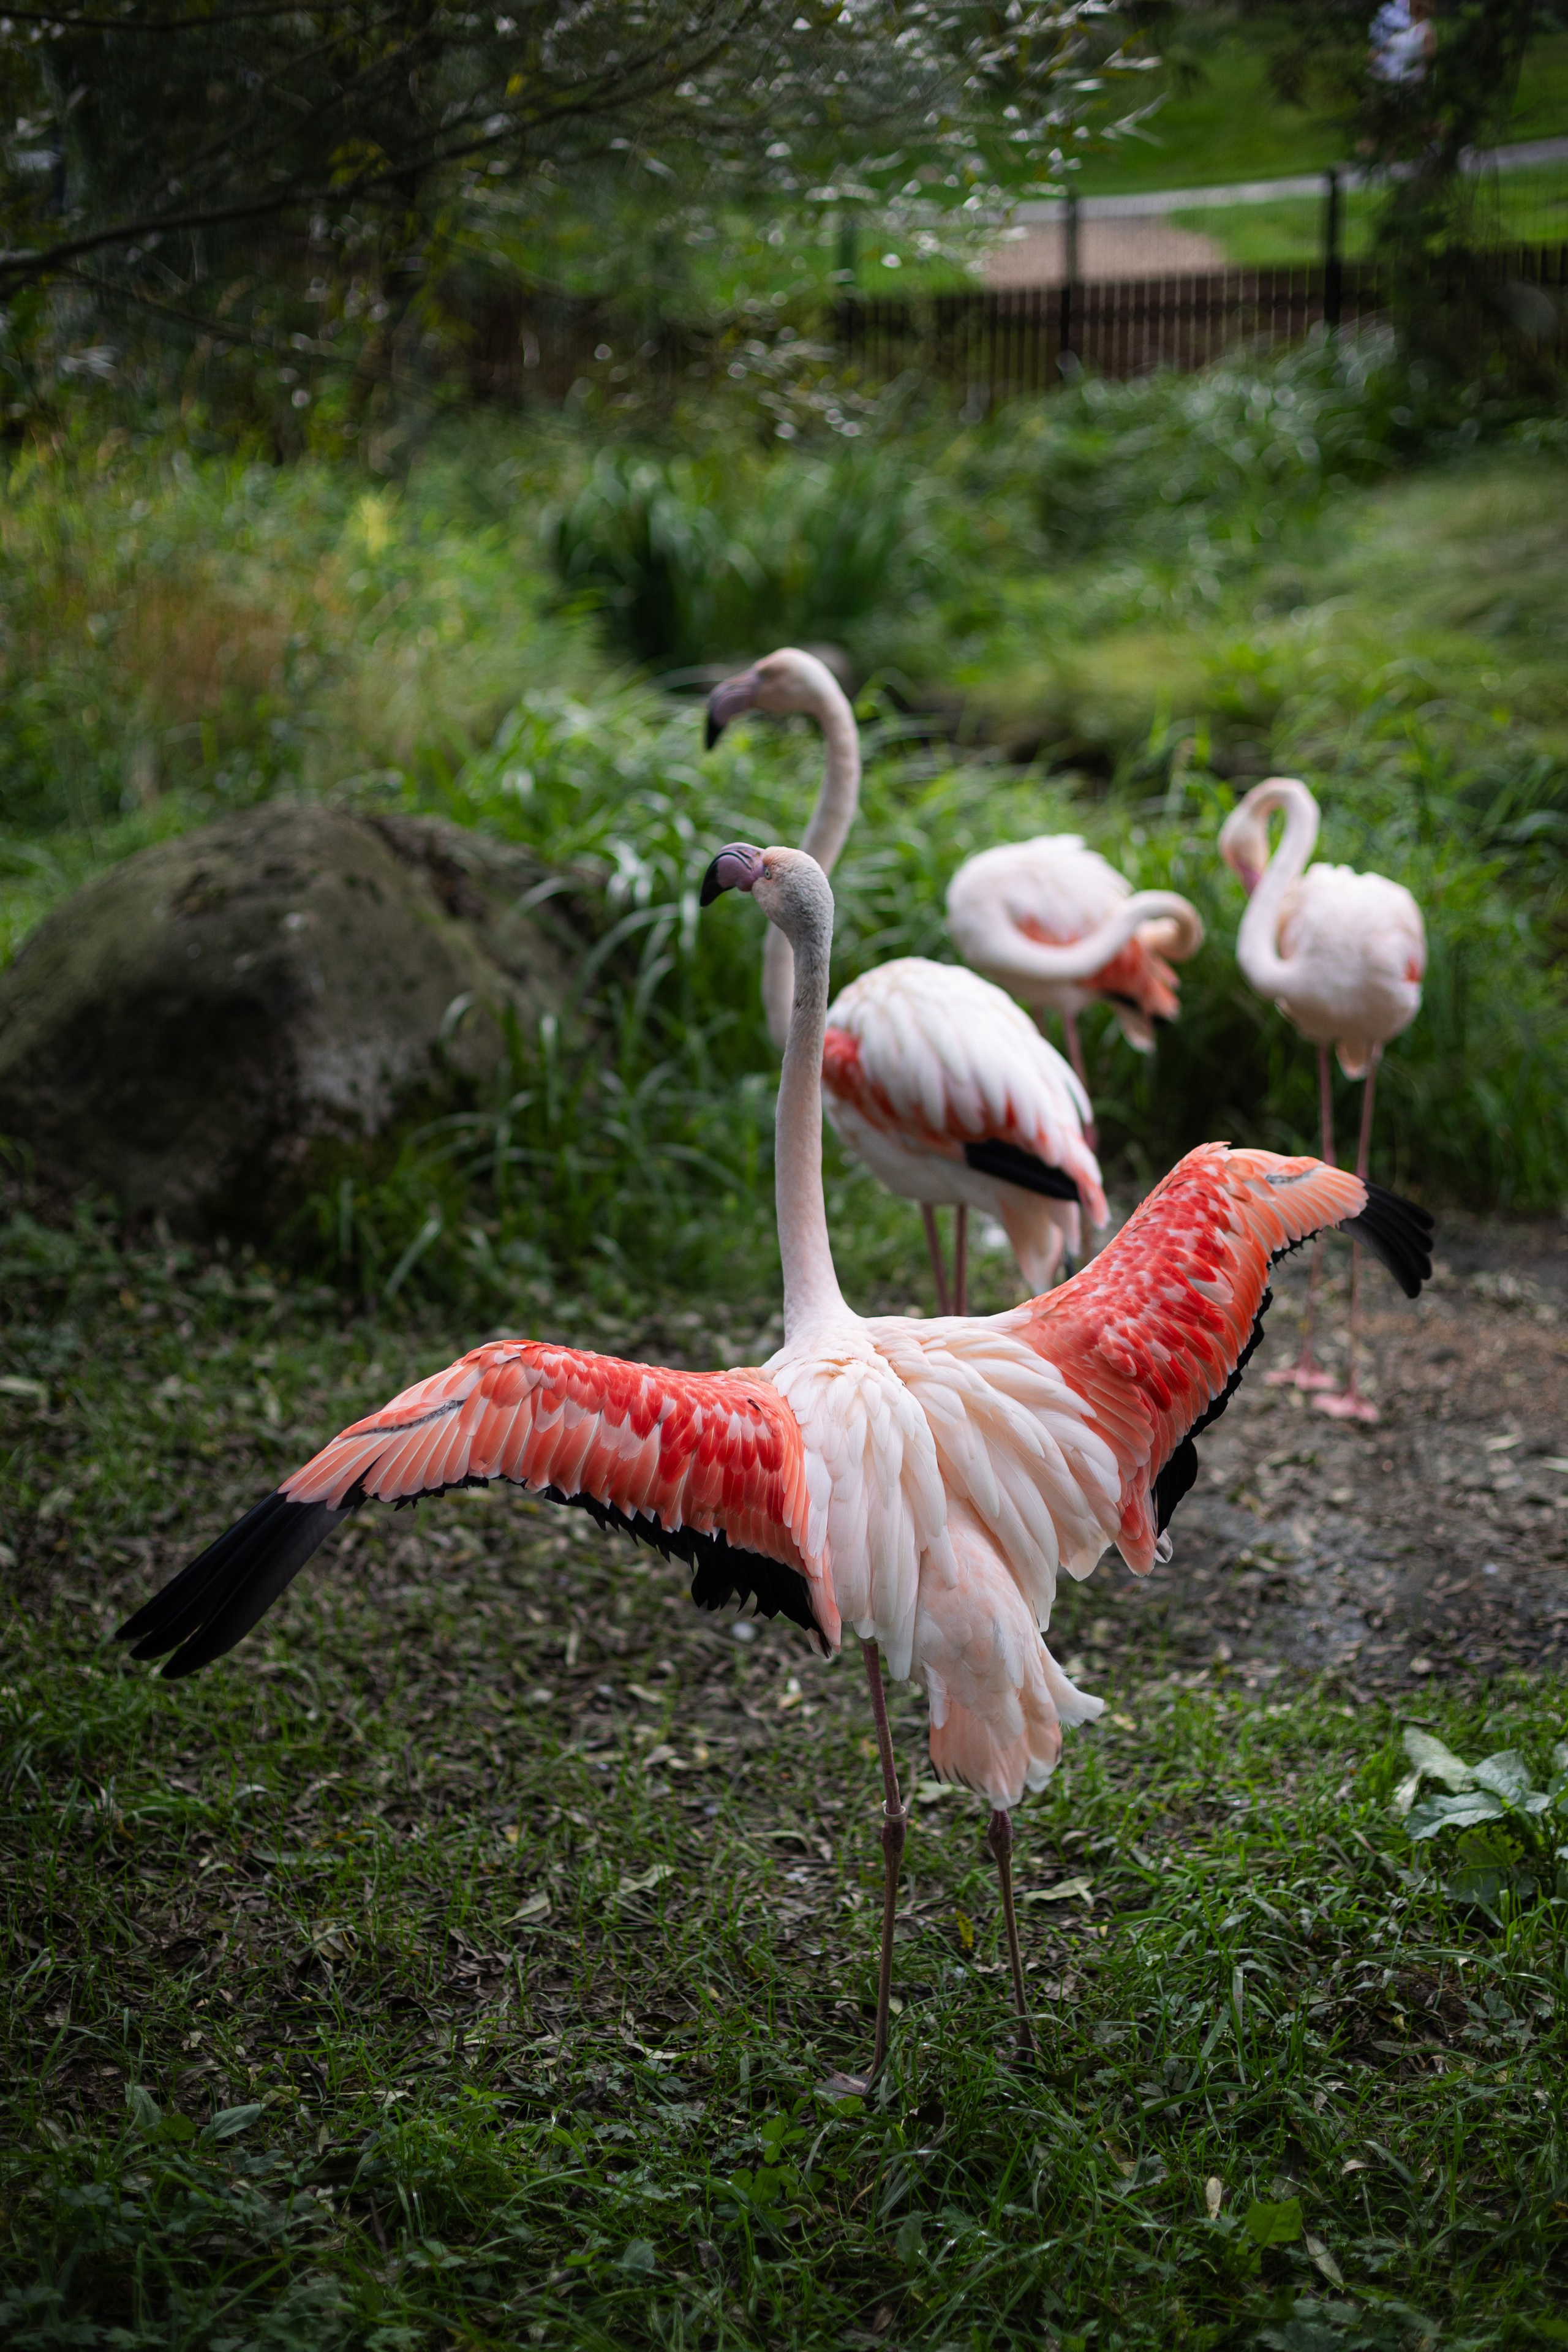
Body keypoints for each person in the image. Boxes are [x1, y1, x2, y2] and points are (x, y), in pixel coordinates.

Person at [1368, 0, 1434, 88]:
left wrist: (1381, 58)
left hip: (1409, 82)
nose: (1407, 7)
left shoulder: (1425, 30)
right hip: (1393, 78)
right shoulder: (1408, 26)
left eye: (1410, 4)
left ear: (1416, 8)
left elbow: (1427, 56)